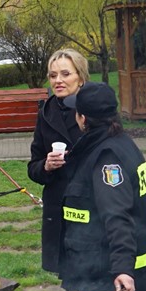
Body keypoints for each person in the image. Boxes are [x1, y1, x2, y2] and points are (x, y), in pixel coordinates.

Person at [57, 84, 146, 291]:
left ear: (83, 118)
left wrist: (121, 269)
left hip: (103, 266)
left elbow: (117, 216)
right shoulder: (120, 142)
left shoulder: (107, 158)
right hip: (103, 261)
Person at [27, 49, 87, 275]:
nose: (58, 81)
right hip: (58, 206)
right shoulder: (46, 111)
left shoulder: (95, 107)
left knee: (92, 273)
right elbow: (33, 167)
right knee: (68, 276)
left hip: (90, 203)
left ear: (80, 77)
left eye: (65, 74)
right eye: (53, 76)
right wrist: (46, 166)